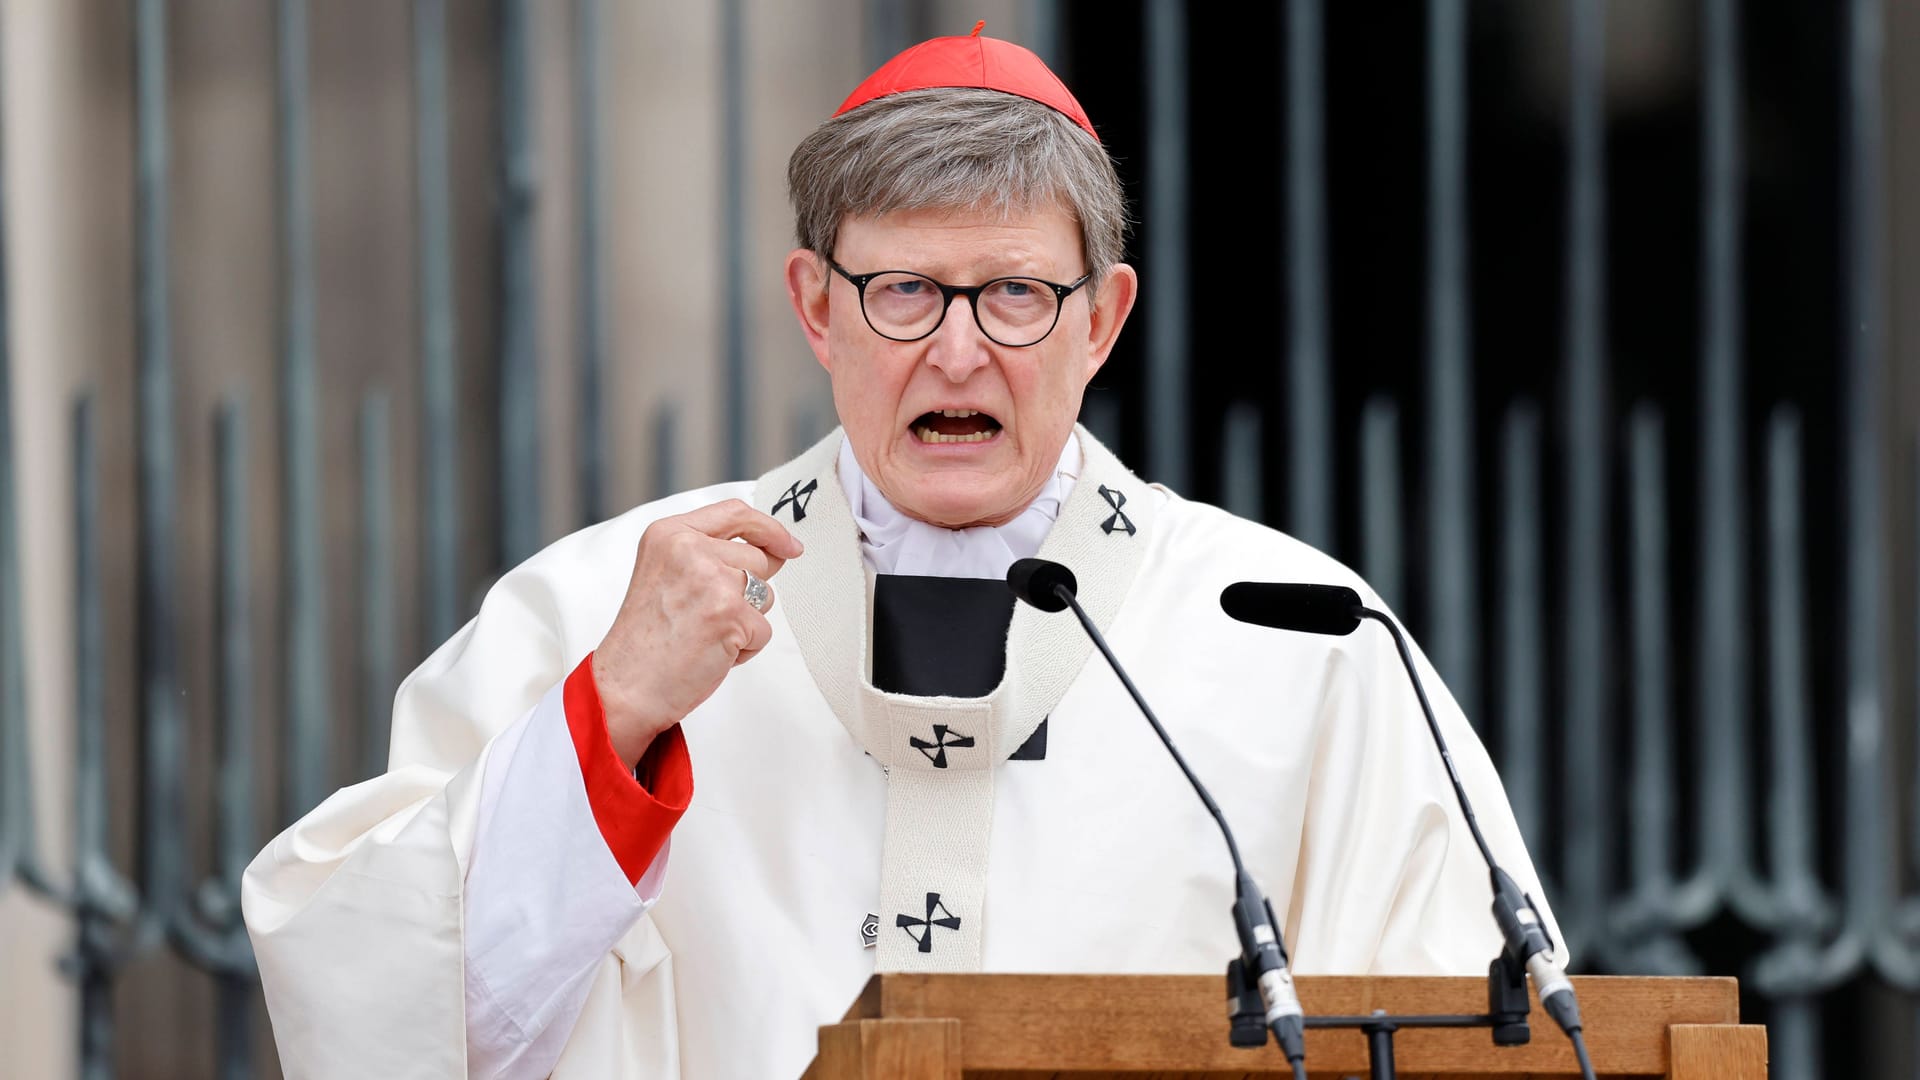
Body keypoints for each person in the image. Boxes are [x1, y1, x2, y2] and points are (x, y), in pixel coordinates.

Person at [243, 29, 1559, 1080]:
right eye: (906, 291)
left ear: (1102, 320)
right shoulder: (603, 607)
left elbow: (1474, 1024)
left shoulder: (1291, 638)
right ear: (817, 306)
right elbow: (379, 1002)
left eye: (1016, 294)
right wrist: (614, 716)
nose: (957, 350)